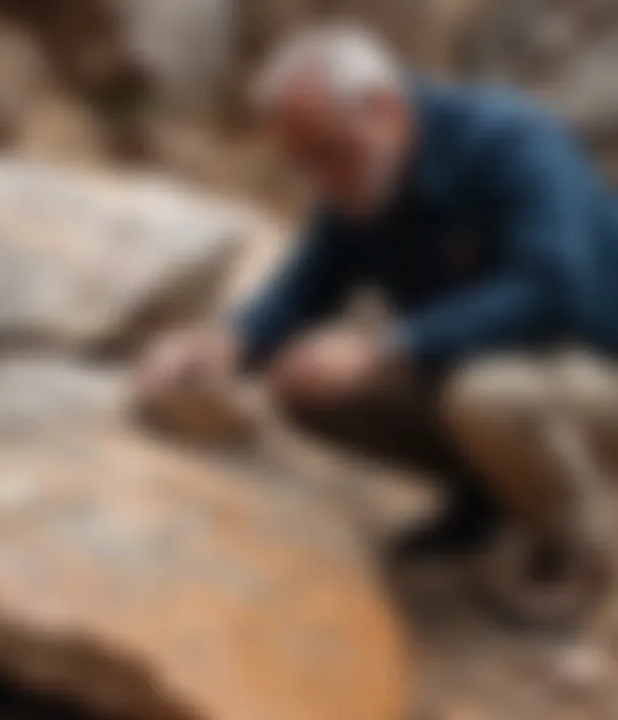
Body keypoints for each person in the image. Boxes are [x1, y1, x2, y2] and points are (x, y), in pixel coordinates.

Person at [139, 24, 618, 607]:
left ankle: (578, 550)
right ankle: (485, 500)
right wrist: (224, 342)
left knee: (484, 396)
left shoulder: (510, 140)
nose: (319, 181)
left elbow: (553, 287)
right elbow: (304, 289)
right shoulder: (362, 169)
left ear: (384, 108)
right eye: (301, 163)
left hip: (594, 365)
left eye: (327, 155)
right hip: (497, 368)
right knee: (309, 383)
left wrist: (387, 344)